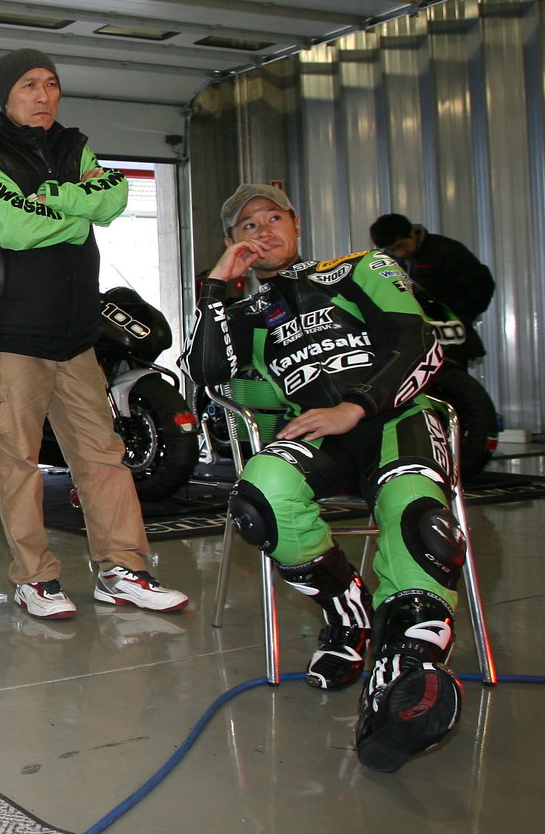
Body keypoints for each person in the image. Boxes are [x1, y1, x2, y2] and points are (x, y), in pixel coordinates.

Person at [184, 184, 461, 773]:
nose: (264, 230)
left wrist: (357, 406)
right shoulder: (245, 313)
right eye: (248, 226)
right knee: (260, 496)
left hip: (395, 416)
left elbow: (421, 342)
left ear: (296, 223)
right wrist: (217, 286)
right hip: (314, 431)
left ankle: (405, 671)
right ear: (233, 242)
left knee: (417, 516)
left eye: (273, 217)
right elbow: (205, 373)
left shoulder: (361, 268)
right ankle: (347, 612)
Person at [0, 48, 187, 621]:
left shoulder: (77, 148)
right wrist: (80, 213)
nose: (43, 95)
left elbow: (114, 197)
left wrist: (58, 200)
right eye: (29, 85)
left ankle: (121, 570)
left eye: (51, 84)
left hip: (77, 334)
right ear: (6, 95)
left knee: (103, 455)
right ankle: (35, 579)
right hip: (12, 335)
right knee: (17, 462)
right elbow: (13, 225)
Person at [369, 213, 495, 362]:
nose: (400, 252)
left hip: (449, 337)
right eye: (393, 249)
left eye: (402, 245)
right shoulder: (387, 260)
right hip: (413, 340)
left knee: (452, 375)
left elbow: (480, 285)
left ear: (412, 233)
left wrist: (460, 315)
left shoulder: (446, 250)